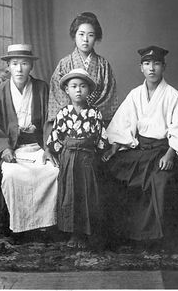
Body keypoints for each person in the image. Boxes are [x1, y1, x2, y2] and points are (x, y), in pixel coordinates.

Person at [102, 45, 178, 249]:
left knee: (160, 179)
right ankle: (125, 232)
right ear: (141, 68)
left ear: (164, 67)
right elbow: (123, 123)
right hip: (141, 150)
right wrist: (114, 148)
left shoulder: (173, 95)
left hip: (163, 152)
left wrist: (171, 154)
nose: (152, 68)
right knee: (112, 169)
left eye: (156, 64)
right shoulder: (135, 94)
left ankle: (155, 238)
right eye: (147, 64)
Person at [0, 44, 59, 239]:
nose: (19, 69)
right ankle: (19, 226)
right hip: (14, 150)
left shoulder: (41, 88)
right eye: (14, 63)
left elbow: (51, 120)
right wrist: (4, 149)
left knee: (52, 172)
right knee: (11, 176)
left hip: (38, 146)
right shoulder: (1, 92)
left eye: (24, 63)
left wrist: (49, 147)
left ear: (31, 67)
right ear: (8, 66)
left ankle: (46, 226)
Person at [46, 68, 108, 249]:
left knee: (86, 194)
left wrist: (101, 153)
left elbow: (101, 139)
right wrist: (50, 152)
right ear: (67, 90)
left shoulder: (95, 113)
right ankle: (73, 233)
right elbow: (56, 138)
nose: (78, 90)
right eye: (74, 86)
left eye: (82, 86)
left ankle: (87, 233)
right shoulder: (63, 113)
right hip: (69, 157)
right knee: (70, 194)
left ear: (89, 90)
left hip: (87, 159)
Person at [45, 12, 118, 137]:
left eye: (90, 35)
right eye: (81, 34)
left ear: (96, 38)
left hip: (96, 124)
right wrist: (76, 112)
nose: (85, 39)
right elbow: (57, 98)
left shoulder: (103, 65)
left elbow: (109, 99)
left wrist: (90, 115)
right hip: (68, 125)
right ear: (74, 36)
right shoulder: (64, 64)